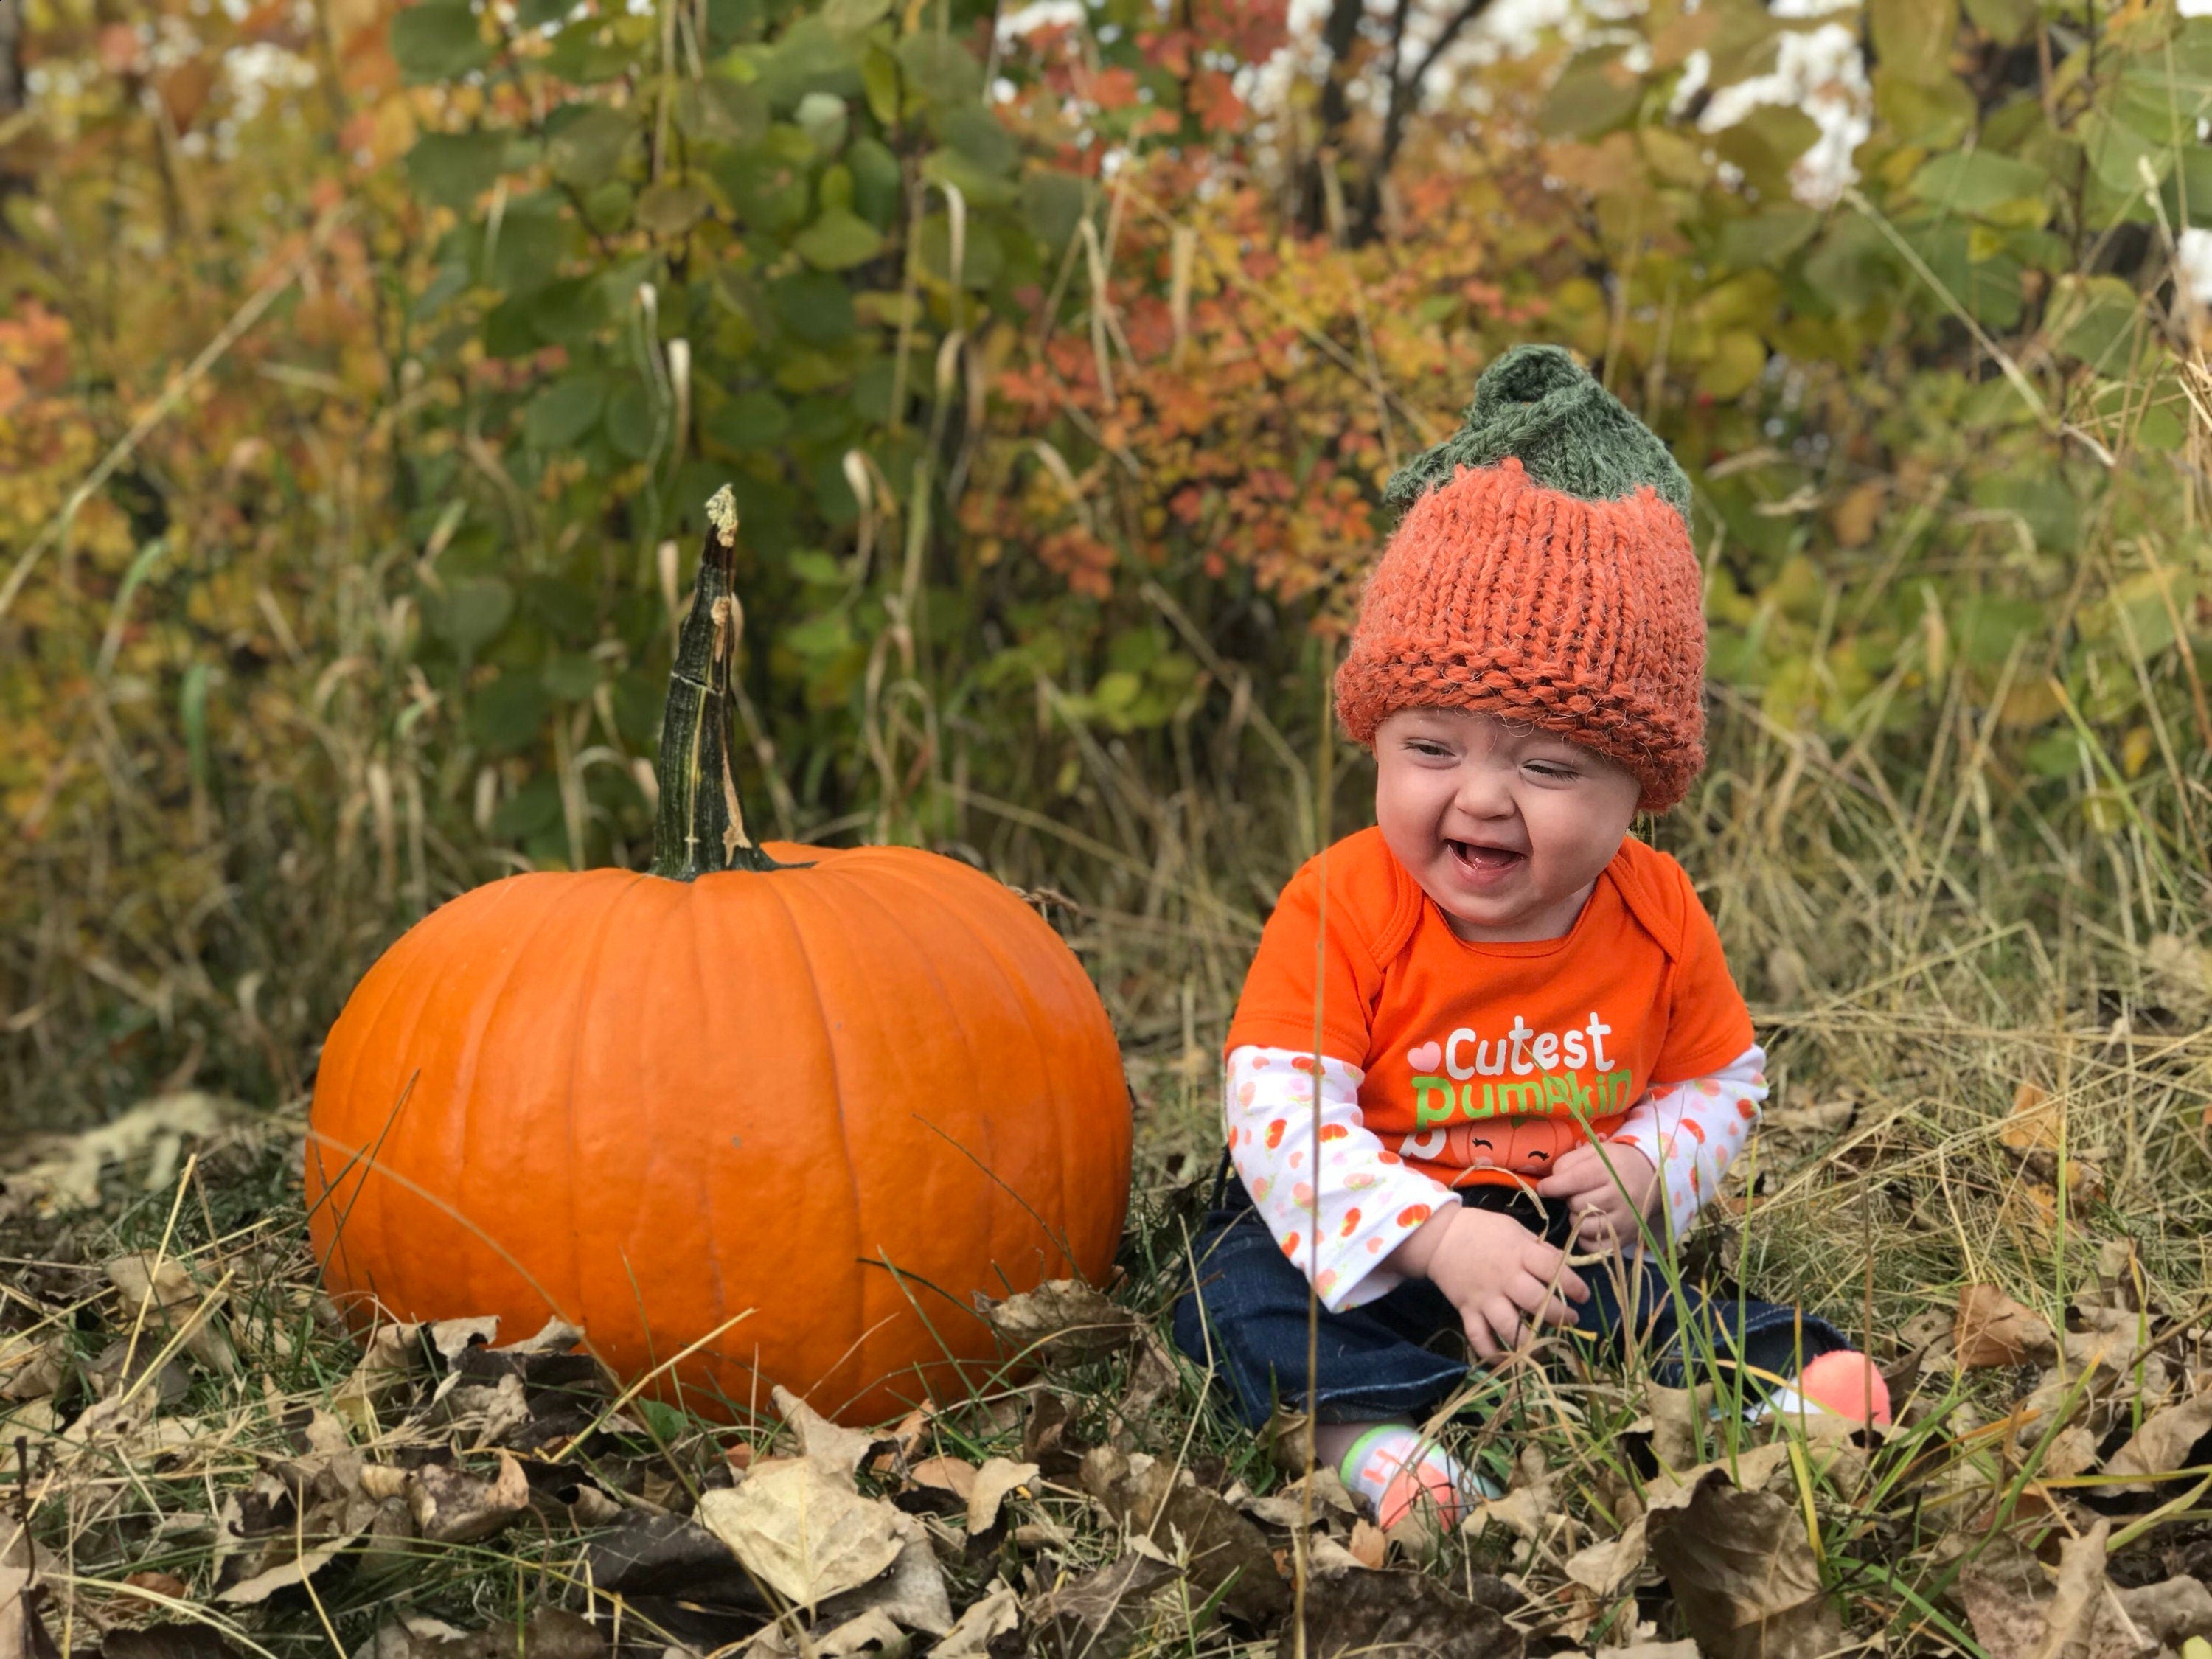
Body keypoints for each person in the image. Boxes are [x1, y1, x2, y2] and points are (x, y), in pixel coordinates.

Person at [1170, 344, 1889, 1532]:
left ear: (1637, 788)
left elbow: (1722, 1072)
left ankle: (1772, 1396)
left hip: (1558, 1237)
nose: (1483, 798)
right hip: (1366, 1218)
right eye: (1432, 748)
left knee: (1654, 1302)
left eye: (1547, 765)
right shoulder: (1343, 901)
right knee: (1239, 1292)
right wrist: (1434, 1236)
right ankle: (1370, 1440)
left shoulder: (1656, 911)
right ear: (1377, 737)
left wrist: (1653, 1162)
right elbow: (1280, 1108)